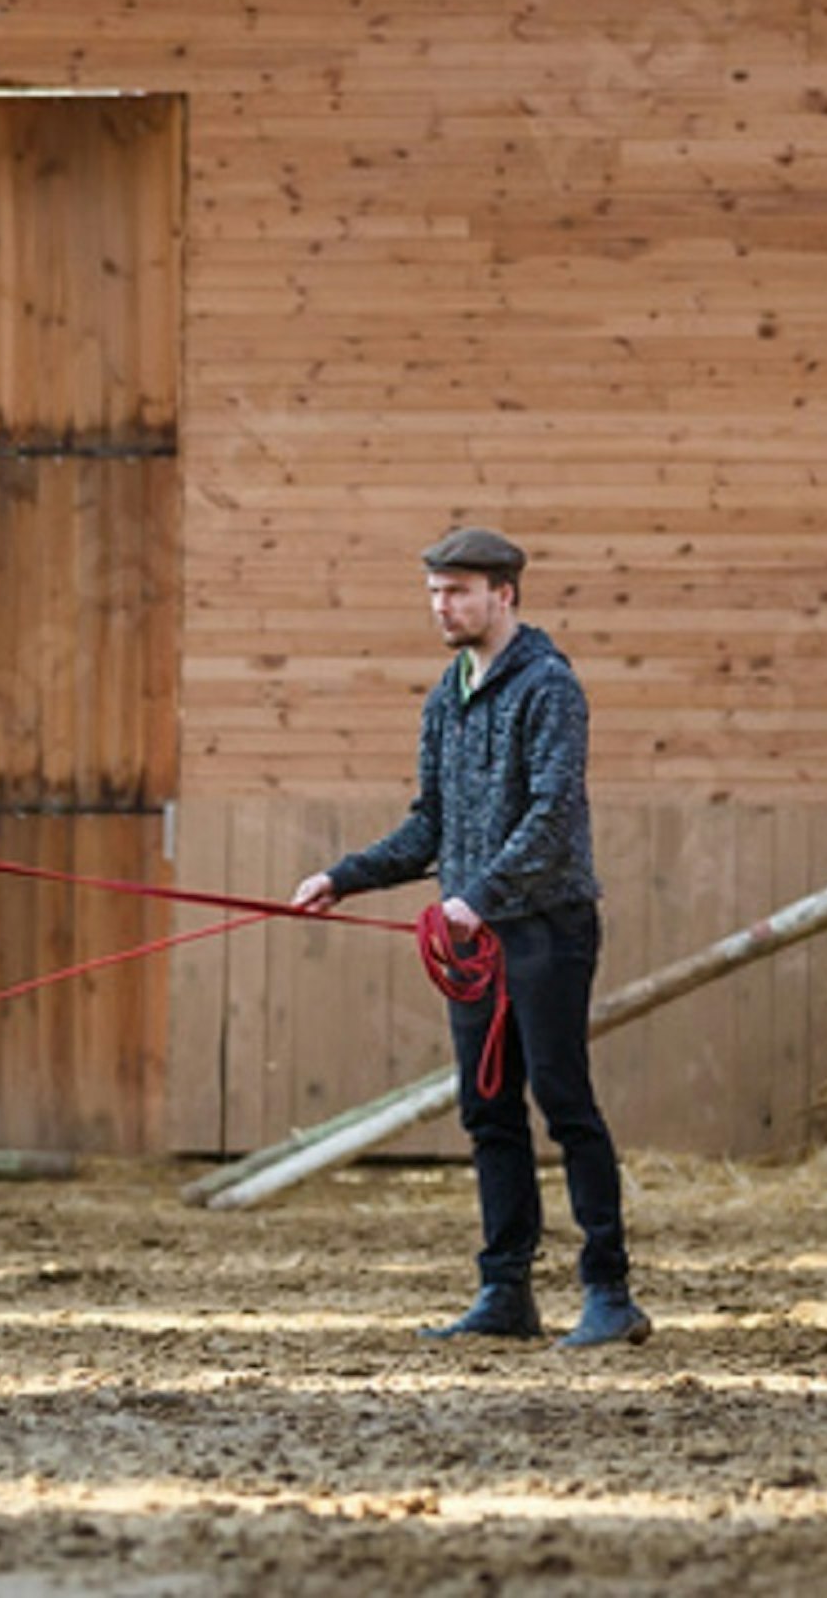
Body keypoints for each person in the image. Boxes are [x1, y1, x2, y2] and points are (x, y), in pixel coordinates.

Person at [291, 526, 649, 1352]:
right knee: (488, 1110)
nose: (441, 607)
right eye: (433, 593)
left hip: (545, 928)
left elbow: (553, 815)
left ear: (504, 595)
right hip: (476, 939)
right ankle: (505, 1291)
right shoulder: (444, 698)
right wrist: (345, 877)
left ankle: (610, 1290)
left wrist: (479, 897)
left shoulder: (549, 688)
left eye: (456, 592)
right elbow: (431, 826)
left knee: (563, 1103)